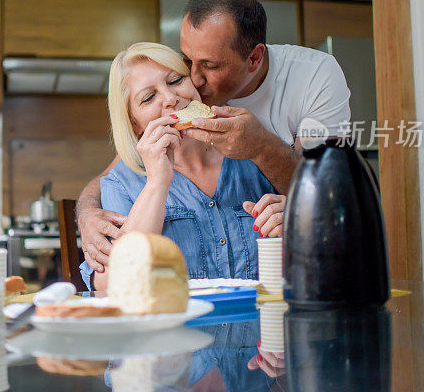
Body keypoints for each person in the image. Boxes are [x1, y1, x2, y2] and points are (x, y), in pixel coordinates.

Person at [78, 0, 351, 274]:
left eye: (207, 66)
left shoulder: (313, 78)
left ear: (254, 59)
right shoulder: (130, 178)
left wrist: (295, 212)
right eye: (186, 62)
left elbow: (328, 194)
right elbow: (122, 168)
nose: (194, 80)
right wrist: (86, 213)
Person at [80, 42, 285, 291]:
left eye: (176, 80)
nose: (170, 98)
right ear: (134, 124)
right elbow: (114, 285)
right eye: (148, 97)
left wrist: (295, 224)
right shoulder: (120, 184)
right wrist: (157, 181)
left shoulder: (253, 153)